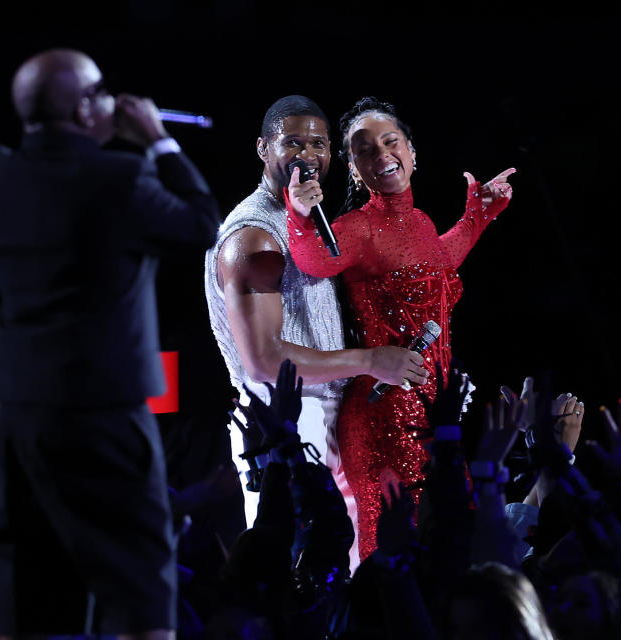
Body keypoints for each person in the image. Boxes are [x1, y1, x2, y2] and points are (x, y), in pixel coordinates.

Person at [0, 48, 220, 639]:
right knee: (141, 582)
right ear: (87, 106)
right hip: (105, 413)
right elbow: (199, 226)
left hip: (22, 416)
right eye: (100, 91)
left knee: (32, 585)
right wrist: (158, 142)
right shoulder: (119, 177)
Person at [285, 96, 515, 559]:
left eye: (390, 143)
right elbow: (313, 258)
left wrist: (478, 216)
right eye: (365, 150)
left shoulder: (419, 220)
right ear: (354, 169)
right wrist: (298, 213)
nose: (382, 155)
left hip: (436, 416)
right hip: (383, 418)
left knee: (454, 548)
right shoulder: (358, 228)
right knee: (392, 561)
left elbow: (435, 262)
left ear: (412, 152)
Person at [203, 96, 427, 565]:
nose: (307, 155)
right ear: (264, 149)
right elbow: (264, 361)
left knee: (347, 568)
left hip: (326, 410)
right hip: (285, 418)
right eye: (293, 143)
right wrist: (371, 360)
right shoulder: (253, 235)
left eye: (319, 144)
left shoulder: (306, 221)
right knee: (302, 574)